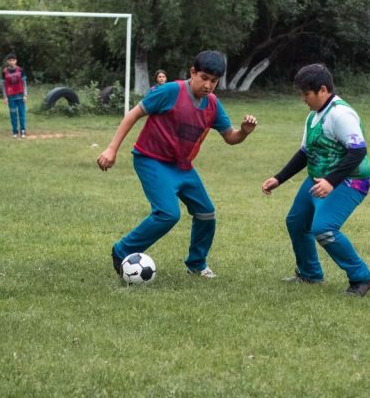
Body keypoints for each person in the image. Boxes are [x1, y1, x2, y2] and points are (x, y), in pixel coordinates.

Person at [97, 50, 258, 278]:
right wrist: (111, 149)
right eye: (204, 78)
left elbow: (230, 136)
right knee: (167, 214)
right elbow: (133, 114)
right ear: (192, 72)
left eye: (213, 81)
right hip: (151, 160)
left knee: (206, 213)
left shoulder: (212, 104)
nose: (208, 85)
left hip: (182, 167)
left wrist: (243, 131)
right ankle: (122, 250)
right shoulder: (170, 91)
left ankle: (197, 263)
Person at [261, 63, 370, 296]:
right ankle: (310, 274)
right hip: (319, 180)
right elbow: (305, 153)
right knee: (297, 222)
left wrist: (331, 181)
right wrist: (278, 178)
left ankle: (362, 278)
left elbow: (358, 151)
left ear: (322, 90)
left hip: (349, 182)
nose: (303, 99)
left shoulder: (341, 114)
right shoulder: (314, 116)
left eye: (306, 94)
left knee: (324, 229)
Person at [2, 52, 28, 138]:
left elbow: (24, 83)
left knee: (21, 114)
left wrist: (25, 95)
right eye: (10, 60)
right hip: (11, 97)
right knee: (13, 115)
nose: (12, 62)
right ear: (7, 61)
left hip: (20, 96)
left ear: (16, 61)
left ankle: (23, 131)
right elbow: (3, 85)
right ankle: (15, 132)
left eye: (13, 60)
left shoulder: (20, 70)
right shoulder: (4, 71)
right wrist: (5, 97)